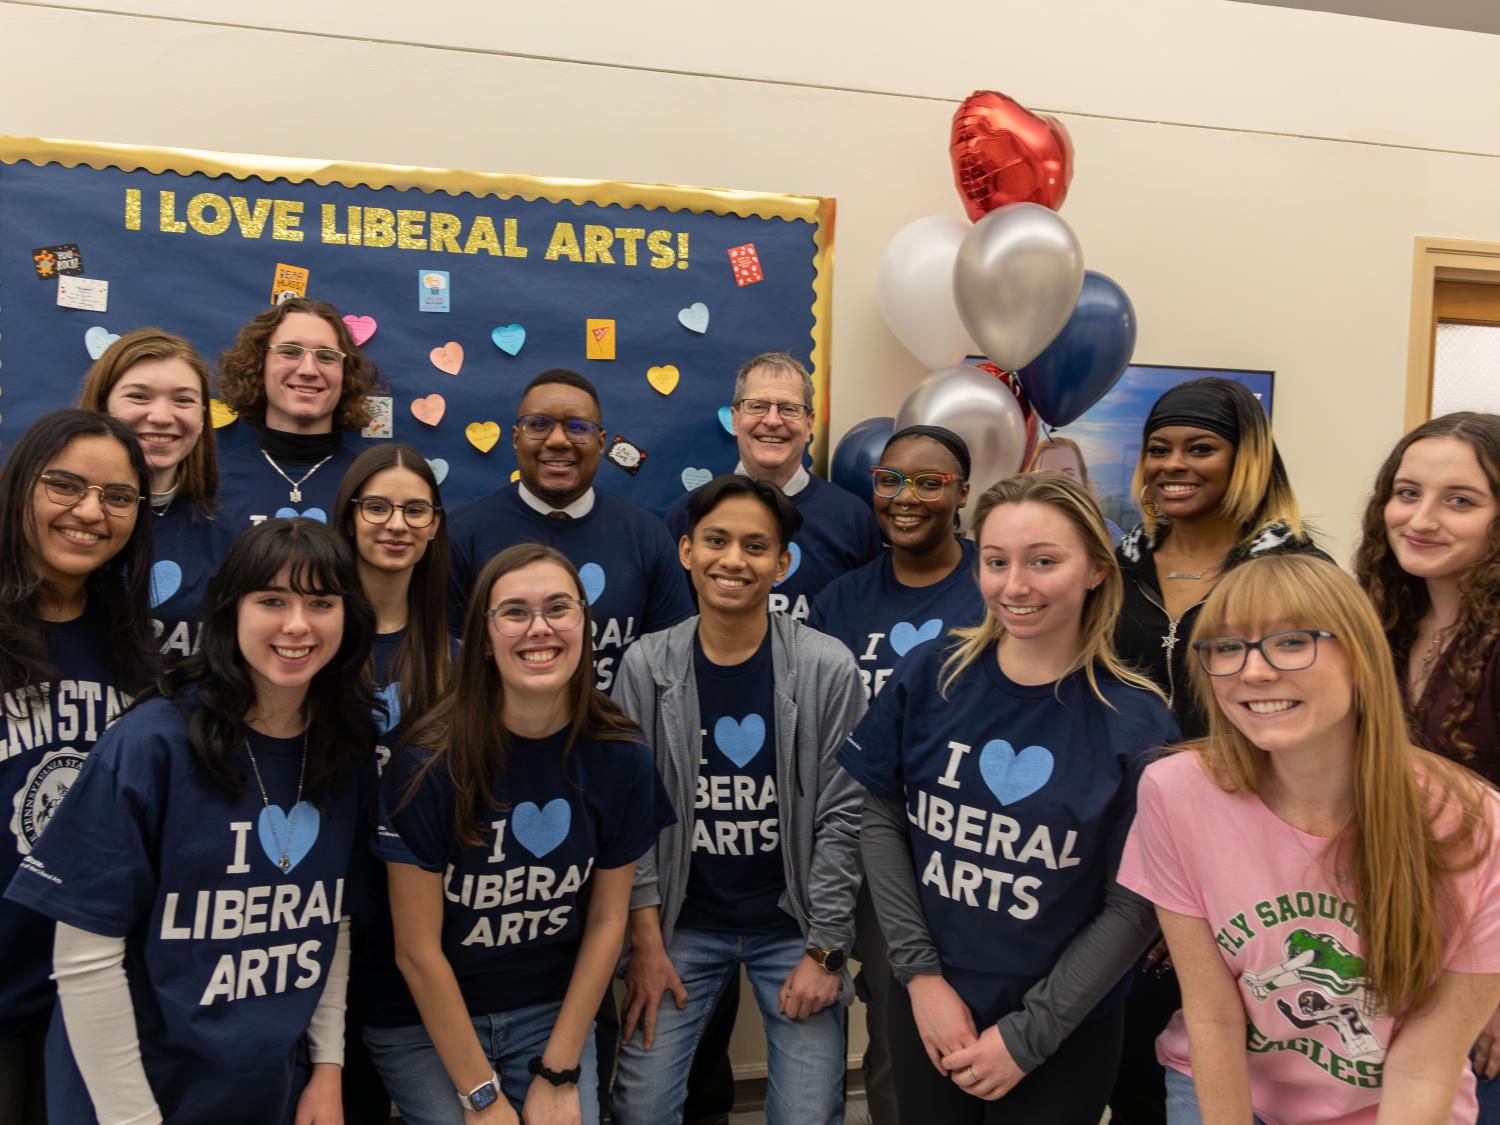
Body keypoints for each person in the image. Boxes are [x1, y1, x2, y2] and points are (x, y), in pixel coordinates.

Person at [4, 517, 379, 1123]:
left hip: (269, 1091)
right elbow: (83, 959)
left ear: (349, 617)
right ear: (230, 612)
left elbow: (328, 920)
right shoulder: (149, 745)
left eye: (321, 602)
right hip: (133, 1094)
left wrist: (327, 1067)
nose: (297, 624)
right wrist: (132, 1118)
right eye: (271, 601)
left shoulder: (346, 748)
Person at [838, 471, 1177, 1125]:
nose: (1014, 585)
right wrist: (921, 977)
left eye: (1043, 561)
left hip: (1066, 1026)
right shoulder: (931, 674)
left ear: (1097, 570)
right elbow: (880, 812)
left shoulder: (1138, 721)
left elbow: (1134, 904)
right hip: (932, 1005)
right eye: (996, 561)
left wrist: (1030, 1035)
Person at [1118, 553, 1500, 1123]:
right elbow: (1213, 1016)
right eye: (1226, 647)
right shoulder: (1175, 791)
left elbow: (1426, 1062)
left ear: (1360, 658)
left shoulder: (1470, 821)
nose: (1253, 672)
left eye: (1291, 641)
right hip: (1224, 1086)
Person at [371, 543, 674, 1125]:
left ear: (585, 624)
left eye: (558, 608)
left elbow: (611, 920)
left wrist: (559, 1071)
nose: (539, 628)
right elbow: (416, 950)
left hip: (548, 1007)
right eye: (514, 612)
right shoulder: (428, 763)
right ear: (483, 640)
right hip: (419, 1018)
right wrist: (481, 1097)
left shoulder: (621, 755)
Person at [609, 474, 866, 1125]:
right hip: (680, 924)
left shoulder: (825, 667)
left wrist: (826, 949)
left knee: (808, 1114)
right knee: (640, 1107)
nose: (733, 560)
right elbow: (627, 814)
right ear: (687, 550)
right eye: (717, 541)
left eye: (756, 546)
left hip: (795, 929)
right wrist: (644, 942)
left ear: (782, 563)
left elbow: (845, 813)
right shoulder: (645, 665)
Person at [1110, 376, 1326, 1125]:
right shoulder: (1116, 570)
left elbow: (1314, 738)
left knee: (1228, 1072)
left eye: (1200, 447)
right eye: (1159, 449)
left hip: (1240, 874)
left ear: (1248, 458)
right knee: (1132, 1070)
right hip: (1120, 862)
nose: (1175, 464)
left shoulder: (1295, 574)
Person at [808, 424, 982, 1125]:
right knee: (894, 1040)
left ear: (962, 492)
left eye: (929, 482)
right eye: (890, 480)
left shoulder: (992, 585)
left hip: (972, 849)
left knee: (982, 1028)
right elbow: (817, 734)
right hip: (873, 852)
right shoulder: (840, 601)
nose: (905, 497)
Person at [0, 409, 154, 1125]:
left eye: (118, 497)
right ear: (21, 487)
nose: (90, 512)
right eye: (65, 485)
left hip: (88, 994)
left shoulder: (129, 635)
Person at [1353, 410, 1500, 1113]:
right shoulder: (1381, 622)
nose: (1422, 517)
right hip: (1397, 946)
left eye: (1460, 500)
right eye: (1407, 492)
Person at [331, 444, 455, 1123]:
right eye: (376, 506)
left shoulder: (458, 659)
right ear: (348, 517)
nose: (396, 523)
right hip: (327, 918)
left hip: (422, 925)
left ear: (435, 524)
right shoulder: (307, 641)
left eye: (414, 509)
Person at [447, 369, 693, 693]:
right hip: (494, 740)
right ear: (516, 437)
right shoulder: (462, 535)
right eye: (538, 425)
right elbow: (444, 664)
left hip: (619, 738)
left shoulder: (647, 536)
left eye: (578, 427)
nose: (558, 440)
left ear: (601, 443)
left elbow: (674, 668)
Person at [665, 352, 882, 623]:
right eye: (757, 406)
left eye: (789, 409)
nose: (772, 420)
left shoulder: (853, 518)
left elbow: (867, 620)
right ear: (734, 419)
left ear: (809, 423)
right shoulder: (689, 513)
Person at [77, 327, 220, 660]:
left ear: (202, 417)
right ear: (101, 405)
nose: (160, 417)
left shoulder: (225, 533)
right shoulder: (54, 519)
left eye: (183, 400)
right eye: (138, 396)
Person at [212, 297, 378, 538]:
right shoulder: (214, 486)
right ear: (259, 368)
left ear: (345, 376)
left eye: (326, 356)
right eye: (290, 352)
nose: (308, 370)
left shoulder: (371, 486)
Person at [1024, 435, 1125, 546]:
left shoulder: (1109, 533)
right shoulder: (1017, 533)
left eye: (1068, 474)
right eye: (1046, 474)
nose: (1058, 483)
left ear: (1083, 480)